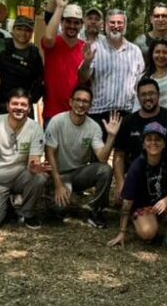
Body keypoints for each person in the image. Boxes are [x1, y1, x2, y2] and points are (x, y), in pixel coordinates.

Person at [109, 122, 167, 251]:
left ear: (164, 143)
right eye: (149, 139)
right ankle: (145, 222)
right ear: (143, 144)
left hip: (165, 204)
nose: (153, 143)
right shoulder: (137, 166)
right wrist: (122, 232)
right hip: (143, 206)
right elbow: (127, 202)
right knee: (148, 233)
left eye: (158, 139)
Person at [45, 87, 119, 227]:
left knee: (105, 170)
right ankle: (54, 194)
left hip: (80, 173)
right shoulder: (57, 121)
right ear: (71, 102)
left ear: (90, 106)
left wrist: (111, 137)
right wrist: (58, 184)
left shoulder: (93, 127)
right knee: (59, 209)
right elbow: (50, 154)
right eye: (78, 100)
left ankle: (96, 212)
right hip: (60, 174)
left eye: (85, 101)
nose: (81, 104)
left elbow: (102, 158)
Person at [0, 89, 49, 228]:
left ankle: (26, 213)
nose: (19, 108)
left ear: (28, 108)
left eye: (23, 105)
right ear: (8, 106)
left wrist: (34, 167)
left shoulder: (34, 128)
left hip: (19, 177)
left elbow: (34, 161)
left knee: (40, 177)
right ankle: (4, 203)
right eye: (15, 104)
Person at [115, 78, 167, 198]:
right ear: (138, 97)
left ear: (158, 95)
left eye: (151, 93)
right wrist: (120, 183)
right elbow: (119, 154)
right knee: (122, 201)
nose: (147, 97)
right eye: (143, 94)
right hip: (137, 178)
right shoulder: (128, 122)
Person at [78, 8, 145, 126]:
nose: (116, 26)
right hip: (98, 113)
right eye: (112, 22)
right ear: (105, 25)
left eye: (119, 23)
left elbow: (139, 84)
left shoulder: (135, 51)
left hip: (126, 114)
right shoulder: (94, 48)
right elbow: (83, 78)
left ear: (125, 25)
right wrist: (87, 62)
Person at [41, 0, 86, 120]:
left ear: (81, 25)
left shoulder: (85, 48)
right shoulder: (54, 42)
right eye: (68, 21)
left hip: (78, 113)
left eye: (76, 22)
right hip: (52, 113)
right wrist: (59, 6)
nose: (72, 26)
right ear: (62, 22)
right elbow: (47, 37)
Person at [0, 14, 45, 118]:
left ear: (32, 33)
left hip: (20, 107)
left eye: (27, 30)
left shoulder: (34, 54)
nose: (23, 33)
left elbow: (40, 81)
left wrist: (29, 99)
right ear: (13, 30)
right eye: (19, 29)